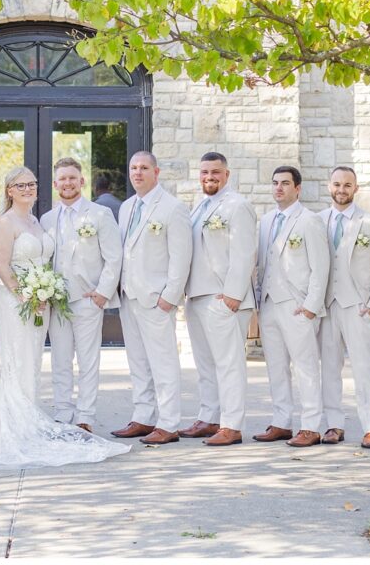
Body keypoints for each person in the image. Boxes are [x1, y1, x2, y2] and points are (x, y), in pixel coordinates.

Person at [0, 167, 128, 468]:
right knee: (18, 360)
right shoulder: (5, 223)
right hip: (16, 300)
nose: (27, 189)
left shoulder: (38, 220)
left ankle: (29, 419)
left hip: (40, 301)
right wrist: (25, 296)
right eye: (20, 185)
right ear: (9, 190)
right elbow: (2, 265)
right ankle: (16, 425)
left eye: (32, 184)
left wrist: (41, 294)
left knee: (33, 361)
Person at [111, 151, 192, 445]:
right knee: (138, 362)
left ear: (156, 172)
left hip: (157, 298)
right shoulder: (127, 207)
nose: (137, 173)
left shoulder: (172, 208)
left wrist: (169, 297)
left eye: (144, 168)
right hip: (129, 296)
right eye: (133, 168)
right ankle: (144, 417)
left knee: (163, 362)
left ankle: (168, 423)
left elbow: (181, 257)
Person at [40, 157, 122, 432]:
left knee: (88, 360)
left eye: (72, 178)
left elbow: (114, 257)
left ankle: (85, 415)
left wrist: (102, 293)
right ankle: (63, 412)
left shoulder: (99, 214)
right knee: (60, 359)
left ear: (82, 181)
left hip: (88, 299)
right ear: (55, 184)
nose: (67, 183)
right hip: (58, 300)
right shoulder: (47, 219)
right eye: (62, 178)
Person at [180, 152, 257, 446]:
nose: (208, 178)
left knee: (229, 364)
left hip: (223, 298)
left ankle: (232, 424)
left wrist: (232, 296)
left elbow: (244, 252)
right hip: (197, 295)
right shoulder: (200, 206)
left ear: (227, 175)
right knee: (205, 364)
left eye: (215, 173)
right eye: (204, 172)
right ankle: (209, 417)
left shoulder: (238, 206)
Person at [252, 165, 330, 448]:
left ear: (297, 188)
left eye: (285, 183)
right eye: (275, 183)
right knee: (275, 366)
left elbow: (321, 267)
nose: (278, 188)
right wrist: (259, 300)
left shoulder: (309, 221)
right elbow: (261, 262)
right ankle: (282, 422)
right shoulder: (266, 221)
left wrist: (310, 306)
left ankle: (310, 425)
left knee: (306, 367)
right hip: (270, 304)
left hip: (298, 305)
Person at [317, 166, 370, 449]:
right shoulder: (317, 221)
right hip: (326, 305)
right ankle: (334, 424)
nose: (342, 190)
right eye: (337, 184)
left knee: (364, 367)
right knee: (329, 369)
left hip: (358, 306)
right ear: (329, 186)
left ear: (355, 188)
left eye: (347, 185)